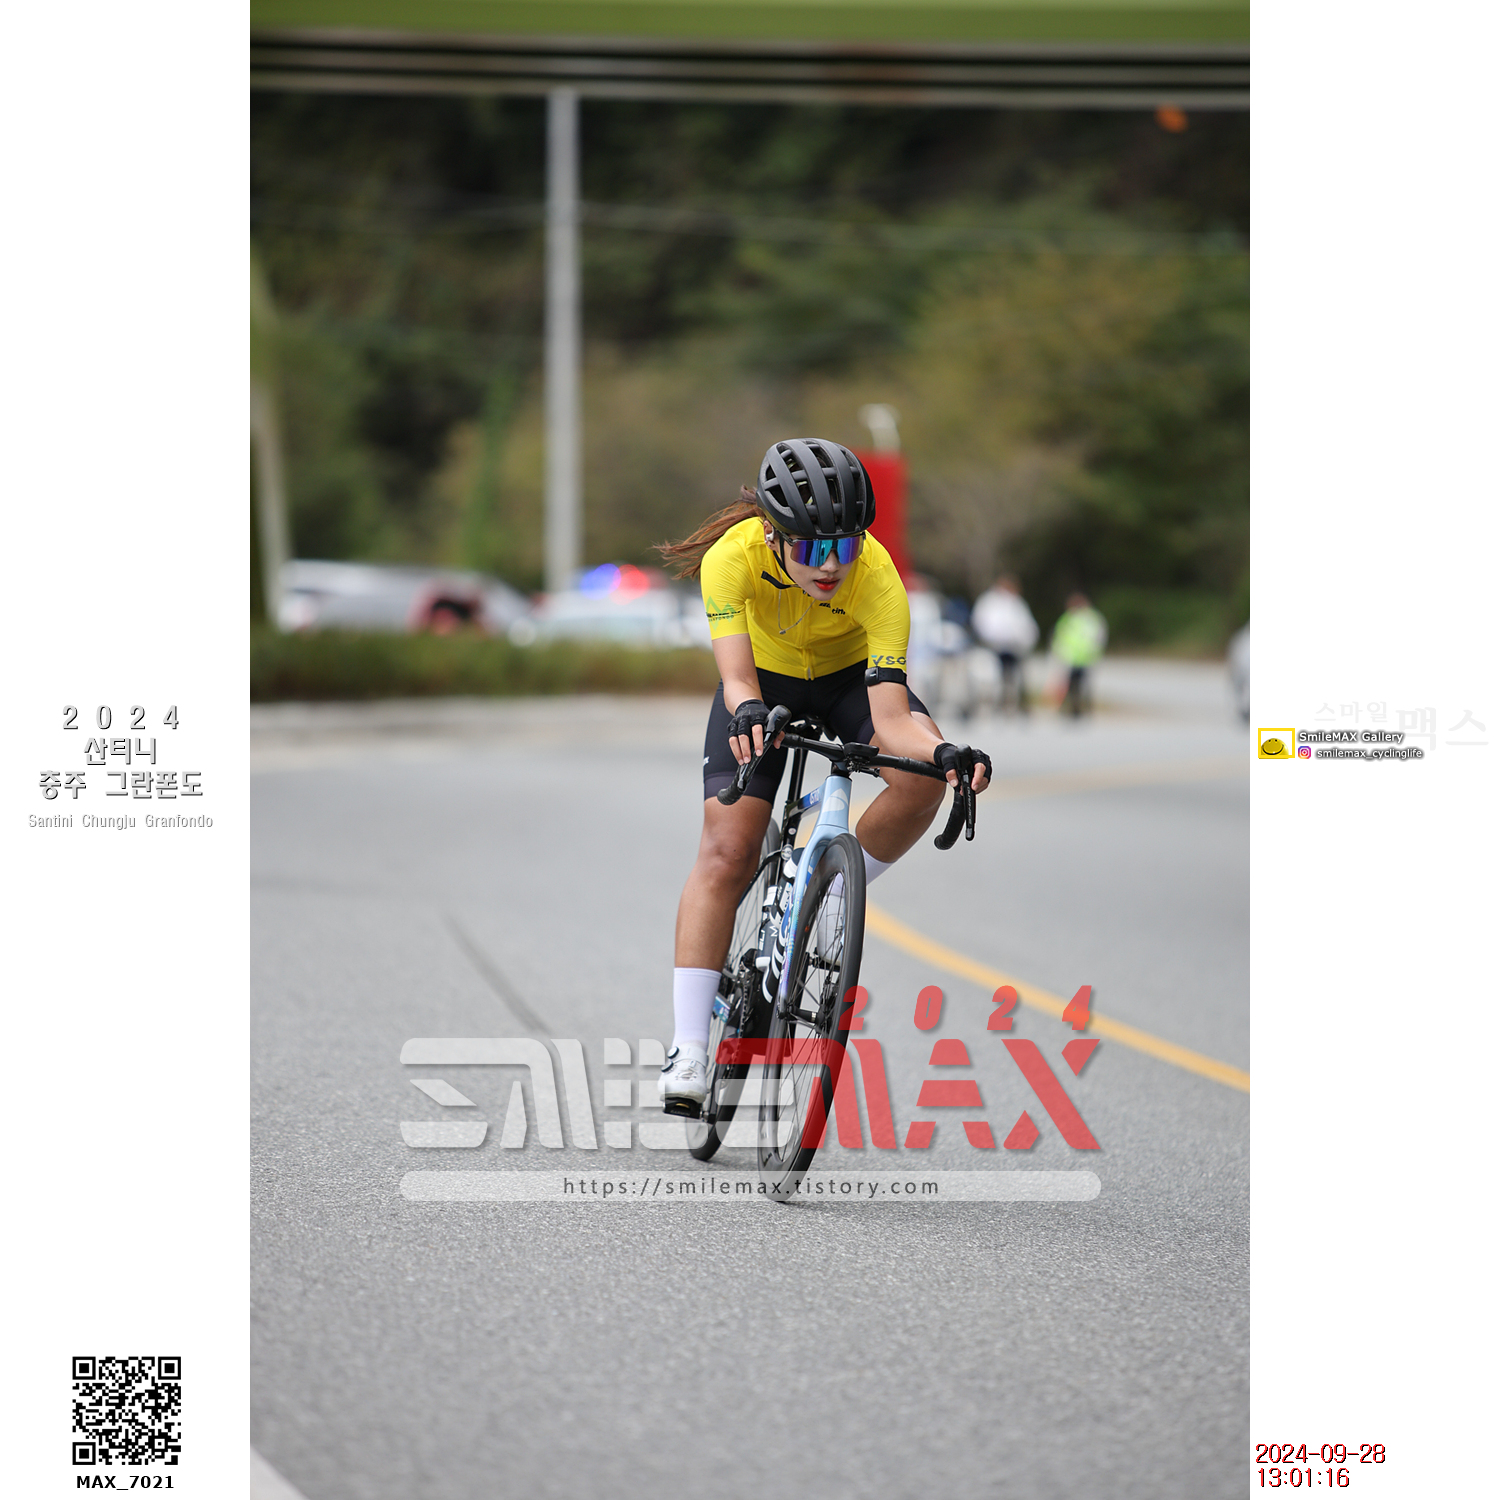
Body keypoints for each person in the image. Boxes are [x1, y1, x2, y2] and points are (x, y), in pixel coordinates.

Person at [653, 438, 992, 1112]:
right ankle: (688, 1048)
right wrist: (748, 710)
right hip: (761, 685)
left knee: (920, 780)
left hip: (848, 683)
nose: (832, 565)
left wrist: (943, 753)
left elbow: (891, 719)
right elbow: (736, 677)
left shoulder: (878, 576)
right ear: (774, 536)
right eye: (811, 548)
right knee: (726, 852)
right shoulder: (731, 558)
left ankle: (825, 892)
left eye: (845, 545)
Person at [970, 574, 1038, 714]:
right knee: (991, 679)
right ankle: (990, 706)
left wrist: (1025, 642)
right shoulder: (988, 602)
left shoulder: (1017, 603)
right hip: (992, 647)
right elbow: (981, 623)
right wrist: (994, 638)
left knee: (1013, 679)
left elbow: (1027, 627)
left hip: (1014, 649)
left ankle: (1010, 706)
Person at [1052, 591, 1108, 717]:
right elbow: (1059, 636)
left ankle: (1084, 708)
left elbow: (1098, 637)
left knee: (1084, 685)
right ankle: (1072, 707)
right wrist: (1060, 653)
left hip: (1085, 657)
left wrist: (1094, 652)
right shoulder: (1067, 618)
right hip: (1070, 657)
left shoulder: (1091, 619)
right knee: (1071, 684)